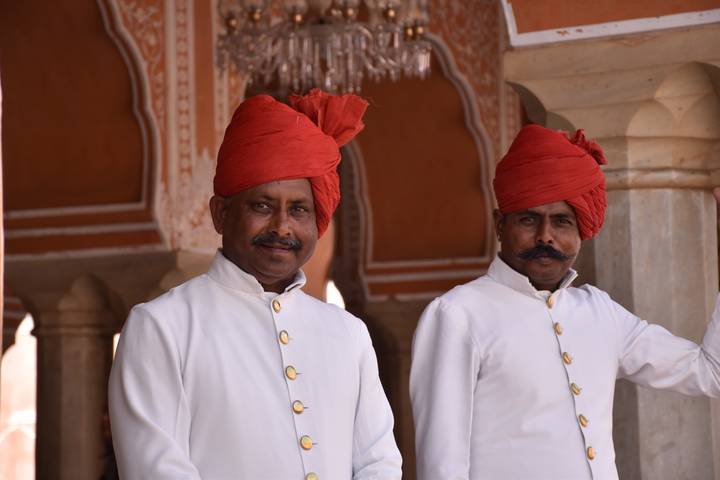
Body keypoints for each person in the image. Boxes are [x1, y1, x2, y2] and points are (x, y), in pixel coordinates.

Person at [109, 89, 402, 480]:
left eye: (298, 210)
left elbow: (378, 462)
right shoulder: (163, 327)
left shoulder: (348, 334)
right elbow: (157, 470)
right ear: (221, 214)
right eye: (262, 206)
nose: (282, 227)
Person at [409, 124, 720, 480]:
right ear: (499, 224)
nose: (545, 236)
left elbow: (709, 372)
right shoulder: (458, 315)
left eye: (562, 222)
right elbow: (441, 465)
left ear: (580, 231)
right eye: (528, 220)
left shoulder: (600, 311)